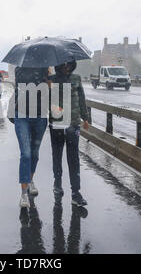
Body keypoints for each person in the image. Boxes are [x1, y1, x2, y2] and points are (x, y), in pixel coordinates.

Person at [48, 61, 89, 206]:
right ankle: (57, 184)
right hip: (57, 123)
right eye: (63, 64)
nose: (66, 66)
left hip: (73, 124)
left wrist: (86, 118)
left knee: (74, 159)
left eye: (69, 64)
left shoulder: (76, 78)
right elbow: (46, 101)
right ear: (58, 65)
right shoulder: (51, 80)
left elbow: (82, 99)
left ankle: (75, 193)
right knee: (57, 156)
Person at [11, 66, 49, 208]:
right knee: (26, 154)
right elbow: (19, 90)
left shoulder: (45, 70)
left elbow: (48, 93)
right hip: (22, 115)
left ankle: (30, 180)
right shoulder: (19, 69)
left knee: (35, 154)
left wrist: (48, 81)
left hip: (40, 116)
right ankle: (23, 193)